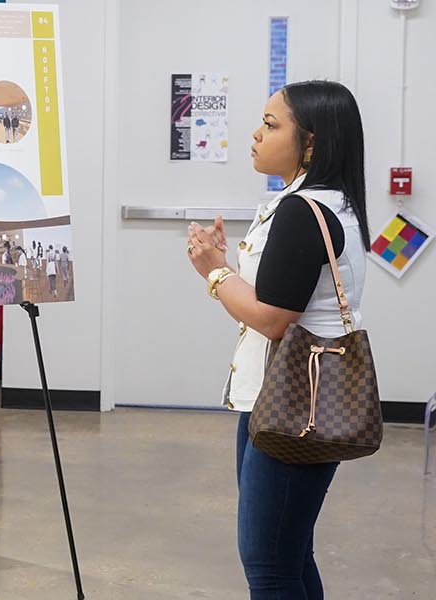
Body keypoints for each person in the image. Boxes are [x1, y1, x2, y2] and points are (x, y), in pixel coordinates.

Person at [186, 81, 370, 600]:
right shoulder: (331, 203)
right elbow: (276, 306)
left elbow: (272, 320)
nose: (256, 134)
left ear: (310, 142)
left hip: (292, 405)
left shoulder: (303, 210)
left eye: (271, 125)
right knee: (288, 556)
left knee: (269, 567)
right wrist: (229, 272)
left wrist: (215, 272)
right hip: (285, 398)